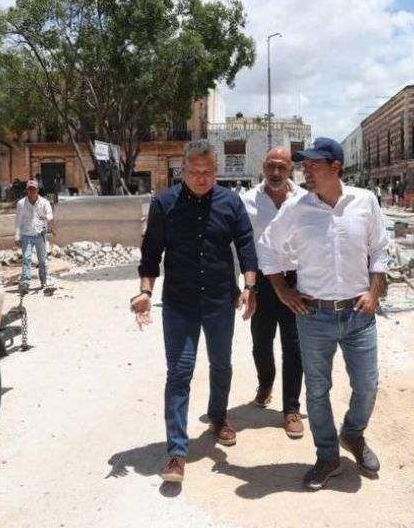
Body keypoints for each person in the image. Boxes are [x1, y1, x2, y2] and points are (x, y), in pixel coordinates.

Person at [257, 137, 389, 491]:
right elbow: (266, 248)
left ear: (335, 167)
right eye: (305, 166)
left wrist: (374, 293)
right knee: (317, 390)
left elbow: (379, 249)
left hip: (359, 315)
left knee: (367, 385)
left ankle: (353, 434)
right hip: (314, 315)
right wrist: (283, 292)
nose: (305, 172)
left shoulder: (365, 202)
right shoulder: (297, 208)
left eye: (313, 166)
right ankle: (327, 454)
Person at [133, 140, 258, 484]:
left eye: (208, 172)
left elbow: (246, 245)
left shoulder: (231, 203)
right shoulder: (164, 204)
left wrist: (249, 287)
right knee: (180, 372)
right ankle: (176, 451)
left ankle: (218, 418)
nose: (202, 179)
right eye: (195, 172)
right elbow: (150, 253)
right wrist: (145, 291)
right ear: (182, 171)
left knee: (221, 364)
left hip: (220, 302)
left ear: (216, 172)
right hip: (180, 304)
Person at [241, 147, 306, 439]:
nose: (276, 172)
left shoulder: (306, 200)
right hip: (263, 283)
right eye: (271, 166)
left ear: (291, 168)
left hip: (296, 282)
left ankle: (290, 408)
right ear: (263, 167)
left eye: (282, 166)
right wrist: (246, 286)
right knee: (261, 342)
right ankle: (265, 383)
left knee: (294, 346)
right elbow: (240, 246)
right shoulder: (248, 202)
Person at [15, 179, 54, 290]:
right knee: (26, 258)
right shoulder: (21, 203)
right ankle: (26, 282)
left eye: (34, 189)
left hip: (40, 234)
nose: (32, 191)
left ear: (37, 190)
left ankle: (43, 280)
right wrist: (17, 236)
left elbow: (51, 214)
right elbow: (18, 220)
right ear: (27, 190)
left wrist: (46, 217)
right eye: (30, 189)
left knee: (42, 259)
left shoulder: (44, 202)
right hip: (26, 235)